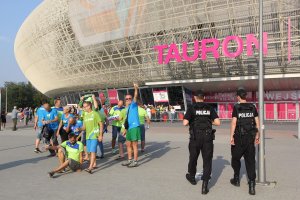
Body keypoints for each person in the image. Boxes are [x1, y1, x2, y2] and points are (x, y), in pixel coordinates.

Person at [183, 90, 220, 195]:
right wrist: (209, 120)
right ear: (204, 98)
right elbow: (218, 122)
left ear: (195, 98)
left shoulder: (191, 108)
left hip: (195, 138)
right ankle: (205, 186)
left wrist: (192, 120)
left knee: (193, 158)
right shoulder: (209, 108)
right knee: (207, 161)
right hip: (208, 138)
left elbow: (185, 123)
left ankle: (192, 177)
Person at [230, 88, 260, 195]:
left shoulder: (236, 107)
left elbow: (234, 123)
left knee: (235, 158)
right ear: (245, 96)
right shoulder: (252, 107)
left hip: (239, 137)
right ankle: (252, 186)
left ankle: (236, 178)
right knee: (250, 161)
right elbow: (257, 122)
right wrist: (257, 134)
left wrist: (231, 136)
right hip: (250, 138)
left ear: (238, 96)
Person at [81, 101, 103, 173]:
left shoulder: (95, 113)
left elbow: (101, 124)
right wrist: (79, 129)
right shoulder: (85, 115)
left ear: (89, 106)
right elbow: (84, 127)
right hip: (88, 136)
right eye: (83, 107)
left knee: (93, 151)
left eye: (85, 106)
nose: (84, 108)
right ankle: (94, 164)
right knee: (89, 152)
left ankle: (90, 167)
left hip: (94, 135)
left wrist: (100, 135)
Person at [122, 83, 141, 168]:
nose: (128, 99)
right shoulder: (128, 108)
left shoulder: (133, 104)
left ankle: (135, 161)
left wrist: (136, 88)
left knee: (134, 145)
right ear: (125, 100)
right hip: (129, 128)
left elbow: (136, 96)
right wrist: (125, 129)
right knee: (128, 144)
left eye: (130, 98)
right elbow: (127, 120)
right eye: (127, 99)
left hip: (134, 126)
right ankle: (129, 160)